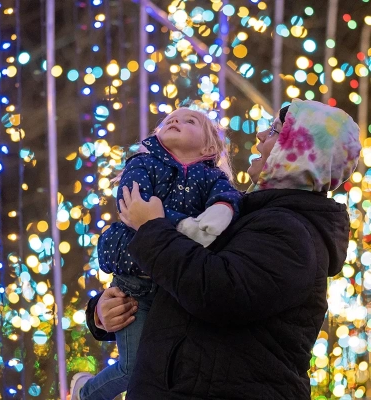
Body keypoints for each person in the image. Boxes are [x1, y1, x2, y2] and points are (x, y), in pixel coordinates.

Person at [84, 99, 361, 399]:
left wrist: (152, 228)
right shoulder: (243, 214)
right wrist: (105, 311)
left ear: (299, 153)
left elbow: (218, 292)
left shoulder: (292, 232)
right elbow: (180, 279)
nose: (259, 137)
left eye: (273, 131)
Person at [70, 107, 242, 400]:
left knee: (159, 368)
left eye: (191, 121)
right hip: (133, 289)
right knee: (132, 367)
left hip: (173, 288)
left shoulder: (213, 177)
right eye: (169, 119)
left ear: (209, 146)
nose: (176, 120)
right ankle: (85, 393)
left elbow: (227, 200)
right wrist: (185, 225)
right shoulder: (144, 163)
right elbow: (137, 204)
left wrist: (221, 211)